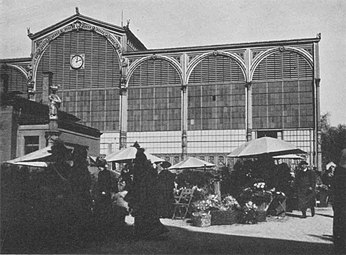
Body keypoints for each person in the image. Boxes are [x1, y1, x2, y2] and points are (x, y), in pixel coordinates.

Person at [125, 146, 168, 239]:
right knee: (146, 213)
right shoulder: (147, 168)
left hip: (142, 193)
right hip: (147, 194)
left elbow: (137, 182)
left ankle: (140, 232)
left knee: (141, 213)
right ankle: (145, 231)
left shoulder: (138, 168)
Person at [332, 149, 346, 254]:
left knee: (339, 222)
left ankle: (339, 243)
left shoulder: (338, 170)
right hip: (341, 202)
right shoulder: (339, 171)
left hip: (339, 202)